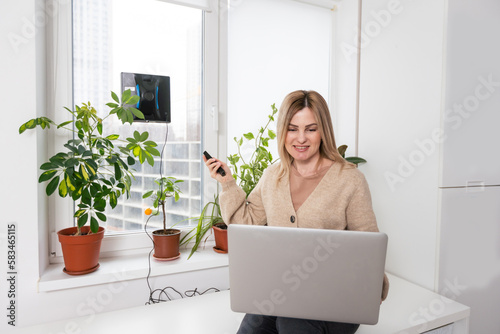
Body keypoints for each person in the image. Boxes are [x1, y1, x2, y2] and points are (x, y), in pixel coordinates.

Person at [204, 90, 389, 334]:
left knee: (292, 324)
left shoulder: (350, 180)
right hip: (282, 291)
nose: (301, 138)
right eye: (292, 129)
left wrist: (374, 285)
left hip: (336, 299)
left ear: (323, 131)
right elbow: (245, 221)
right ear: (283, 131)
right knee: (252, 327)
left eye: (311, 129)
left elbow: (368, 246)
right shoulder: (273, 175)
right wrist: (228, 183)